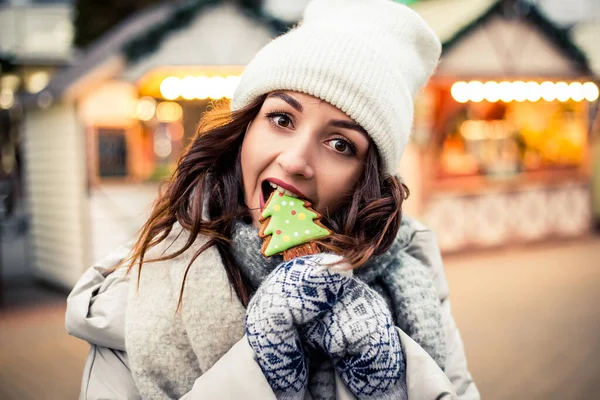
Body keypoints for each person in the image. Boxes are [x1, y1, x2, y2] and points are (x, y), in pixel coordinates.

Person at [66, 0, 480, 399]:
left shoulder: (412, 276)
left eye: (340, 144)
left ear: (365, 181)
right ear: (246, 127)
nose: (297, 160)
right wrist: (259, 364)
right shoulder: (139, 289)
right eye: (282, 119)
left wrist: (394, 377)